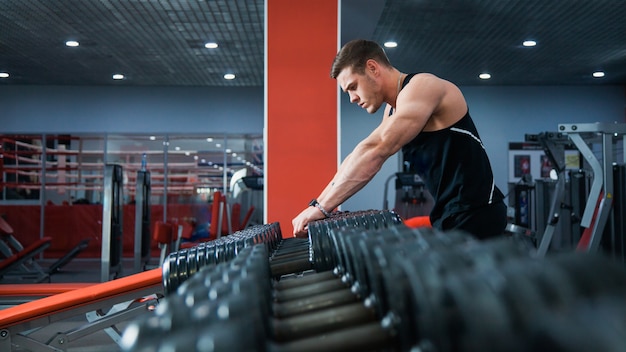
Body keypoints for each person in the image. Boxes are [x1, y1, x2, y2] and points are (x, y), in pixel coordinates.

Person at [292, 39, 507, 240]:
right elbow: (360, 153)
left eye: (353, 87)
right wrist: (317, 205)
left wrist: (321, 209)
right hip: (449, 213)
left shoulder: (422, 86)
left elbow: (376, 151)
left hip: (477, 212)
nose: (352, 98)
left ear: (372, 68)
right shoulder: (392, 110)